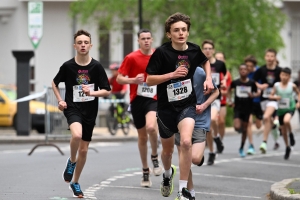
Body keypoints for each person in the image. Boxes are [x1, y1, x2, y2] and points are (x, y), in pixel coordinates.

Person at [146, 12, 214, 200]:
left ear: (188, 32)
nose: (181, 33)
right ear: (169, 34)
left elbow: (205, 60)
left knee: (185, 142)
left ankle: (183, 190)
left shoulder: (194, 50)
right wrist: (171, 75)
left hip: (187, 106)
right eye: (176, 30)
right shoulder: (161, 52)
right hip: (166, 109)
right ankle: (167, 175)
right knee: (167, 151)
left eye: (184, 30)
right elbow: (149, 80)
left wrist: (208, 78)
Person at [52, 29, 111, 198]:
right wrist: (60, 100)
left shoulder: (97, 67)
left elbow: (107, 90)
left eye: (86, 42)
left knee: (84, 151)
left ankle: (75, 182)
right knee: (76, 136)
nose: (83, 45)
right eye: (80, 42)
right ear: (75, 46)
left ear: (90, 45)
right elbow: (54, 83)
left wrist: (92, 93)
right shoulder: (68, 66)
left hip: (90, 110)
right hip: (72, 108)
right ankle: (71, 161)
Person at [117, 28, 163, 187]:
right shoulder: (131, 58)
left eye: (148, 38)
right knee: (142, 137)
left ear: (152, 39)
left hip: (153, 98)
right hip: (137, 100)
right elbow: (119, 78)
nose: (146, 41)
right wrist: (133, 81)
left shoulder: (159, 56)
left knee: (151, 127)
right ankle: (145, 170)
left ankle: (155, 157)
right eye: (143, 38)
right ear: (138, 41)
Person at [175, 67, 219, 200]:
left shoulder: (200, 73)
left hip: (199, 120)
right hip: (180, 120)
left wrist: (204, 105)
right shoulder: (173, 72)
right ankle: (190, 192)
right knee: (185, 158)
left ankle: (200, 157)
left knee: (195, 158)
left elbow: (216, 92)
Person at [201, 40, 227, 165]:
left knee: (212, 120)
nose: (207, 50)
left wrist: (223, 83)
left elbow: (225, 76)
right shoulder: (199, 64)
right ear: (202, 50)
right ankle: (211, 152)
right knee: (208, 128)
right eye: (205, 48)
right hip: (202, 98)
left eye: (210, 48)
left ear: (213, 50)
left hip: (215, 97)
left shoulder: (220, 64)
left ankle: (216, 138)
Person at [227, 64, 260, 157]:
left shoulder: (251, 83)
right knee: (237, 127)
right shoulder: (236, 82)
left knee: (245, 130)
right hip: (238, 107)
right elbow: (229, 90)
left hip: (247, 108)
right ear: (239, 71)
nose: (243, 71)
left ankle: (241, 147)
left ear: (248, 71)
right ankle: (240, 126)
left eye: (245, 69)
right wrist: (230, 100)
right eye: (241, 69)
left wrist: (253, 95)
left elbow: (258, 92)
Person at [253, 48, 281, 154]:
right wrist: (259, 86)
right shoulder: (261, 70)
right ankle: (275, 132)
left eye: (272, 56)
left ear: (275, 57)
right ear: (265, 57)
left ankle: (264, 142)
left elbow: (285, 82)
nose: (269, 58)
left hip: (274, 99)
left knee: (266, 117)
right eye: (268, 56)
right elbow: (253, 81)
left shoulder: (279, 70)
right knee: (268, 120)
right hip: (263, 99)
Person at [269, 67, 300, 159]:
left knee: (287, 121)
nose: (284, 77)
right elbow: (271, 95)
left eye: (286, 75)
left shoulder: (292, 86)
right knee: (283, 130)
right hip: (281, 109)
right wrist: (275, 98)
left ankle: (291, 134)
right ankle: (287, 147)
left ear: (289, 77)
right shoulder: (277, 85)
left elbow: (298, 93)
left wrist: (298, 102)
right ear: (280, 75)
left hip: (290, 107)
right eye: (282, 75)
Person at [244, 55, 262, 154]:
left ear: (254, 66)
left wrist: (257, 92)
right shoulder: (244, 73)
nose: (248, 68)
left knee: (259, 126)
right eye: (247, 66)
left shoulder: (259, 72)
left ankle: (260, 120)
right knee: (249, 123)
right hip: (248, 102)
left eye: (250, 66)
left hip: (257, 101)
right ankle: (251, 145)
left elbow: (259, 87)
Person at [215, 52, 232, 142]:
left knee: (221, 121)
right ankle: (211, 138)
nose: (219, 60)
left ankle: (220, 140)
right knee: (212, 120)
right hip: (211, 99)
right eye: (217, 58)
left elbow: (227, 90)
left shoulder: (227, 74)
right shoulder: (210, 70)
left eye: (221, 58)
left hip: (222, 101)